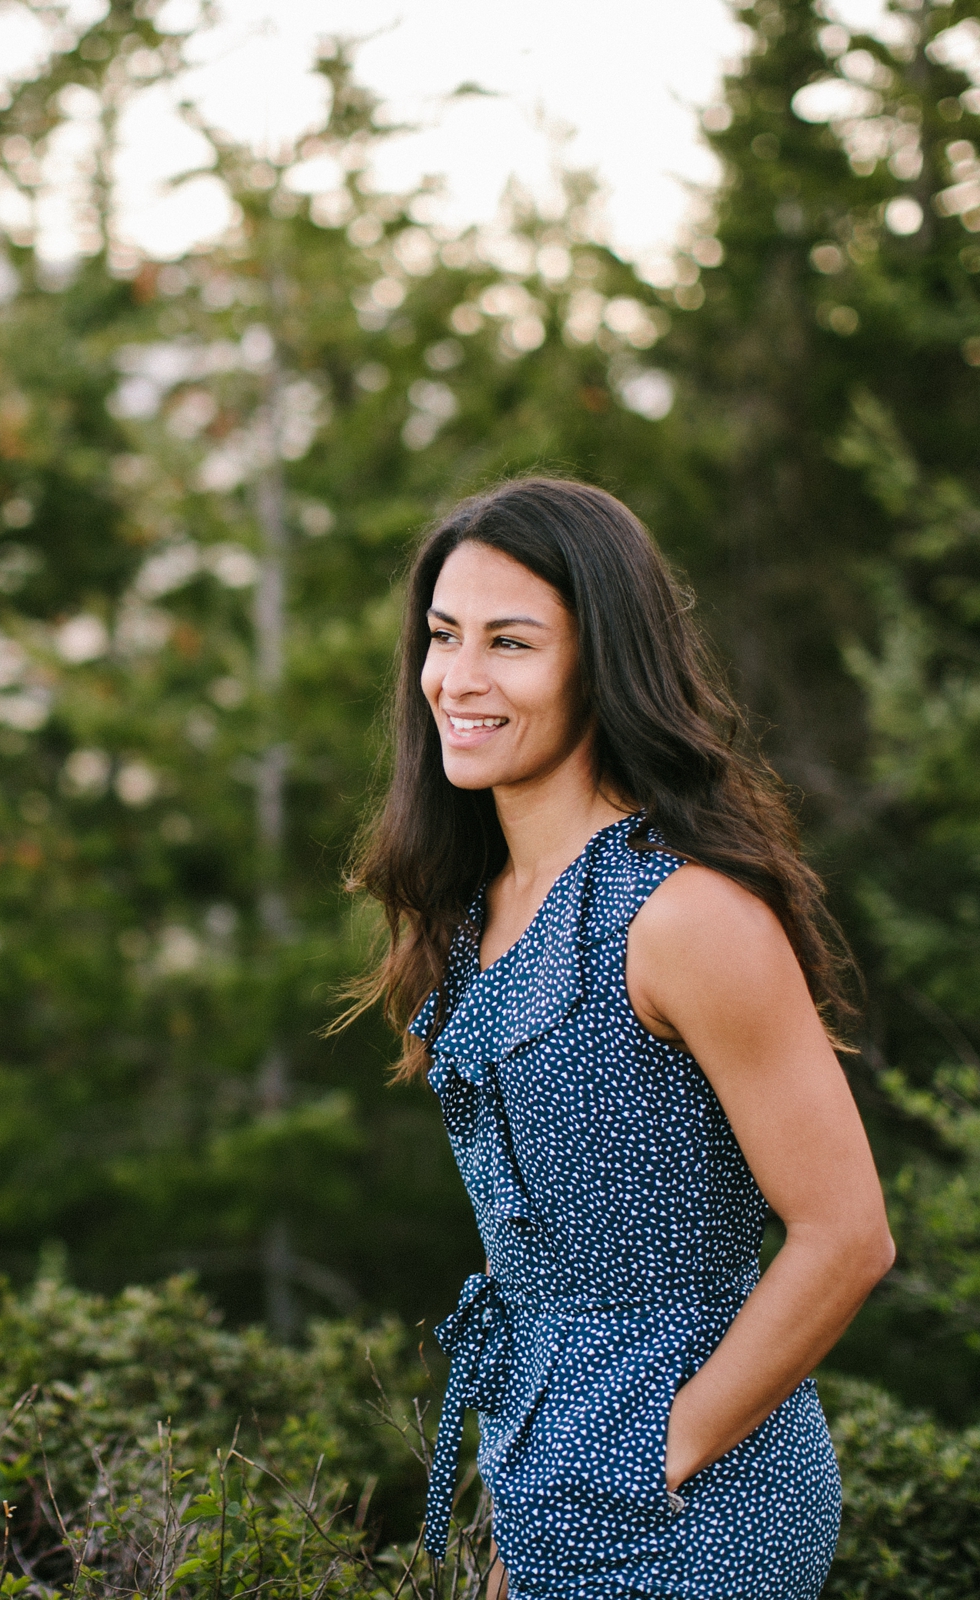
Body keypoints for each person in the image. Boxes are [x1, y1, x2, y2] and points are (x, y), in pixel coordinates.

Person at [342, 479, 895, 1598]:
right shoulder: (475, 909)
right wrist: (529, 1506)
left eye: (512, 642)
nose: (458, 678)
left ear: (604, 662)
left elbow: (847, 1234)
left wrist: (661, 1452)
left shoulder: (684, 918)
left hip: (698, 1499)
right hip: (541, 1477)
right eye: (444, 637)